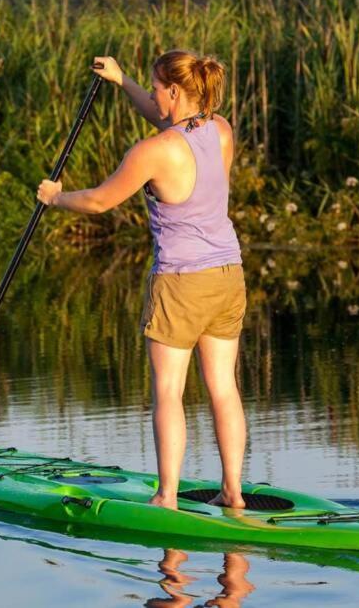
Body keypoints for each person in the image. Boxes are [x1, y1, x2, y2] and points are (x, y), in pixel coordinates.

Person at [36, 51, 247, 510]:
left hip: (180, 284)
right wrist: (122, 80)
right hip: (229, 276)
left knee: (169, 390)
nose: (151, 95)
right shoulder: (221, 129)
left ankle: (167, 497)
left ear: (173, 90)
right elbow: (167, 116)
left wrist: (56, 197)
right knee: (223, 387)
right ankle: (233, 491)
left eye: (155, 86)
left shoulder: (152, 152)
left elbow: (98, 202)